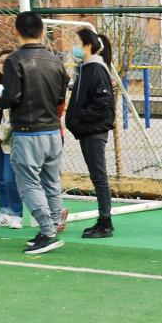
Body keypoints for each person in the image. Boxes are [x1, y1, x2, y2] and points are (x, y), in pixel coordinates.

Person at [0, 12, 69, 254]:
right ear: (42, 31)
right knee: (51, 182)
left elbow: (13, 96)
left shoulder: (15, 60)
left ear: (16, 31)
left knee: (28, 184)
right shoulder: (55, 60)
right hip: (52, 131)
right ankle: (52, 226)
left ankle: (48, 233)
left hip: (28, 131)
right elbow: (60, 96)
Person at [64, 28, 116, 238]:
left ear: (87, 45)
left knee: (99, 176)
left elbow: (104, 103)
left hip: (94, 130)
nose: (73, 46)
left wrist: (79, 116)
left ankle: (105, 223)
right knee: (97, 176)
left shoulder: (95, 68)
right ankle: (103, 220)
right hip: (87, 130)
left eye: (76, 42)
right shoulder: (85, 68)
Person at [0, 49, 23, 229]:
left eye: (7, 61)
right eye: (1, 61)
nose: (3, 65)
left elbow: (12, 117)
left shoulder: (15, 87)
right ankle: (4, 212)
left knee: (10, 179)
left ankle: (17, 214)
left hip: (9, 142)